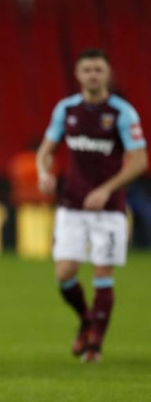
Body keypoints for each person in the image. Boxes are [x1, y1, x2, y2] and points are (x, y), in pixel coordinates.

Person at [35, 48, 147, 363]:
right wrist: (44, 173)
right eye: (87, 70)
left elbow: (140, 161)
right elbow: (46, 149)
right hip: (72, 205)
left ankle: (95, 343)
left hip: (109, 208)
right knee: (65, 274)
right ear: (78, 75)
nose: (93, 75)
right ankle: (86, 319)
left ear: (108, 74)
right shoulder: (66, 109)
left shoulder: (123, 113)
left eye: (98, 70)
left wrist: (106, 189)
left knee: (102, 272)